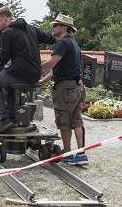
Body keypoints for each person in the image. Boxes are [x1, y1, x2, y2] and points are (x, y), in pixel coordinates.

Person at [0, 6, 56, 134]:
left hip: (20, 72)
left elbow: (3, 59)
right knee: (7, 85)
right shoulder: (31, 28)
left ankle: (4, 118)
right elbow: (51, 39)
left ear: (5, 19)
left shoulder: (7, 33)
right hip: (35, 73)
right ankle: (12, 118)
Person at [39, 14, 88, 165]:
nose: (52, 28)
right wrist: (42, 81)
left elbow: (52, 62)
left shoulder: (62, 44)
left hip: (64, 88)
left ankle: (68, 155)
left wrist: (32, 68)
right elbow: (58, 68)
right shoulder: (74, 44)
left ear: (64, 28)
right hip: (77, 86)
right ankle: (81, 154)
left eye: (56, 25)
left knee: (64, 121)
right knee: (77, 120)